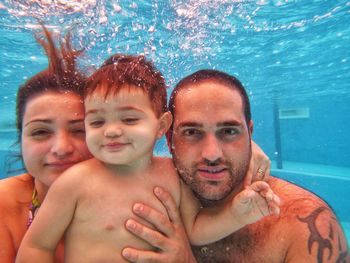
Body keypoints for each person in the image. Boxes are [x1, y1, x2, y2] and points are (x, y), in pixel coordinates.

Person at [16, 55, 280, 262]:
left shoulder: (172, 176)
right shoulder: (75, 182)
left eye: (129, 119)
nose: (111, 130)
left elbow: (196, 229)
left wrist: (237, 214)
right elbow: (38, 244)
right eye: (96, 121)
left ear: (162, 126)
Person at [121, 69, 350, 263]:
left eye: (229, 131)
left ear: (249, 134)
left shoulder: (302, 224)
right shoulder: (150, 198)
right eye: (192, 132)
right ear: (169, 140)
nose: (212, 154)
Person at [0, 25, 92, 262]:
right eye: (40, 132)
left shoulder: (138, 197)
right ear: (20, 140)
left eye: (79, 130)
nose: (61, 148)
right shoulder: (3, 205)